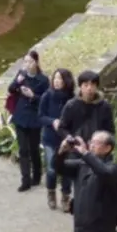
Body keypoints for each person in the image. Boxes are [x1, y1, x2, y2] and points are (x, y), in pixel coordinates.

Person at [7, 50, 47, 193]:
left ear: (36, 62)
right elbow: (11, 89)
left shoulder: (43, 80)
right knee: (23, 149)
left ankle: (37, 174)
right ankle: (25, 180)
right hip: (21, 116)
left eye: (30, 61)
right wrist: (17, 83)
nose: (27, 64)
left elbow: (45, 100)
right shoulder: (21, 75)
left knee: (34, 148)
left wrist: (32, 96)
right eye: (25, 62)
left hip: (34, 118)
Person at [40, 68, 77, 211]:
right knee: (51, 169)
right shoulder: (47, 96)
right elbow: (40, 116)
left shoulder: (72, 99)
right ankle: (51, 193)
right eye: (55, 78)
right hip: (50, 138)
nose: (57, 81)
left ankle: (66, 197)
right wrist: (52, 121)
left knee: (67, 169)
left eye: (60, 79)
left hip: (66, 139)